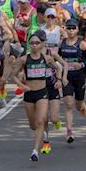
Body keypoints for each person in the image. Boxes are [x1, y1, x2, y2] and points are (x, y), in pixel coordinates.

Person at [18, 31, 64, 163]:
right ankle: (41, 133)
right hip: (29, 93)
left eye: (36, 43)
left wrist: (60, 80)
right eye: (31, 43)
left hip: (43, 92)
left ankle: (35, 151)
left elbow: (59, 67)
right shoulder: (24, 59)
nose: (34, 45)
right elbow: (14, 75)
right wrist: (21, 85)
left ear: (42, 44)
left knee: (41, 121)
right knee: (33, 125)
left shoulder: (47, 58)